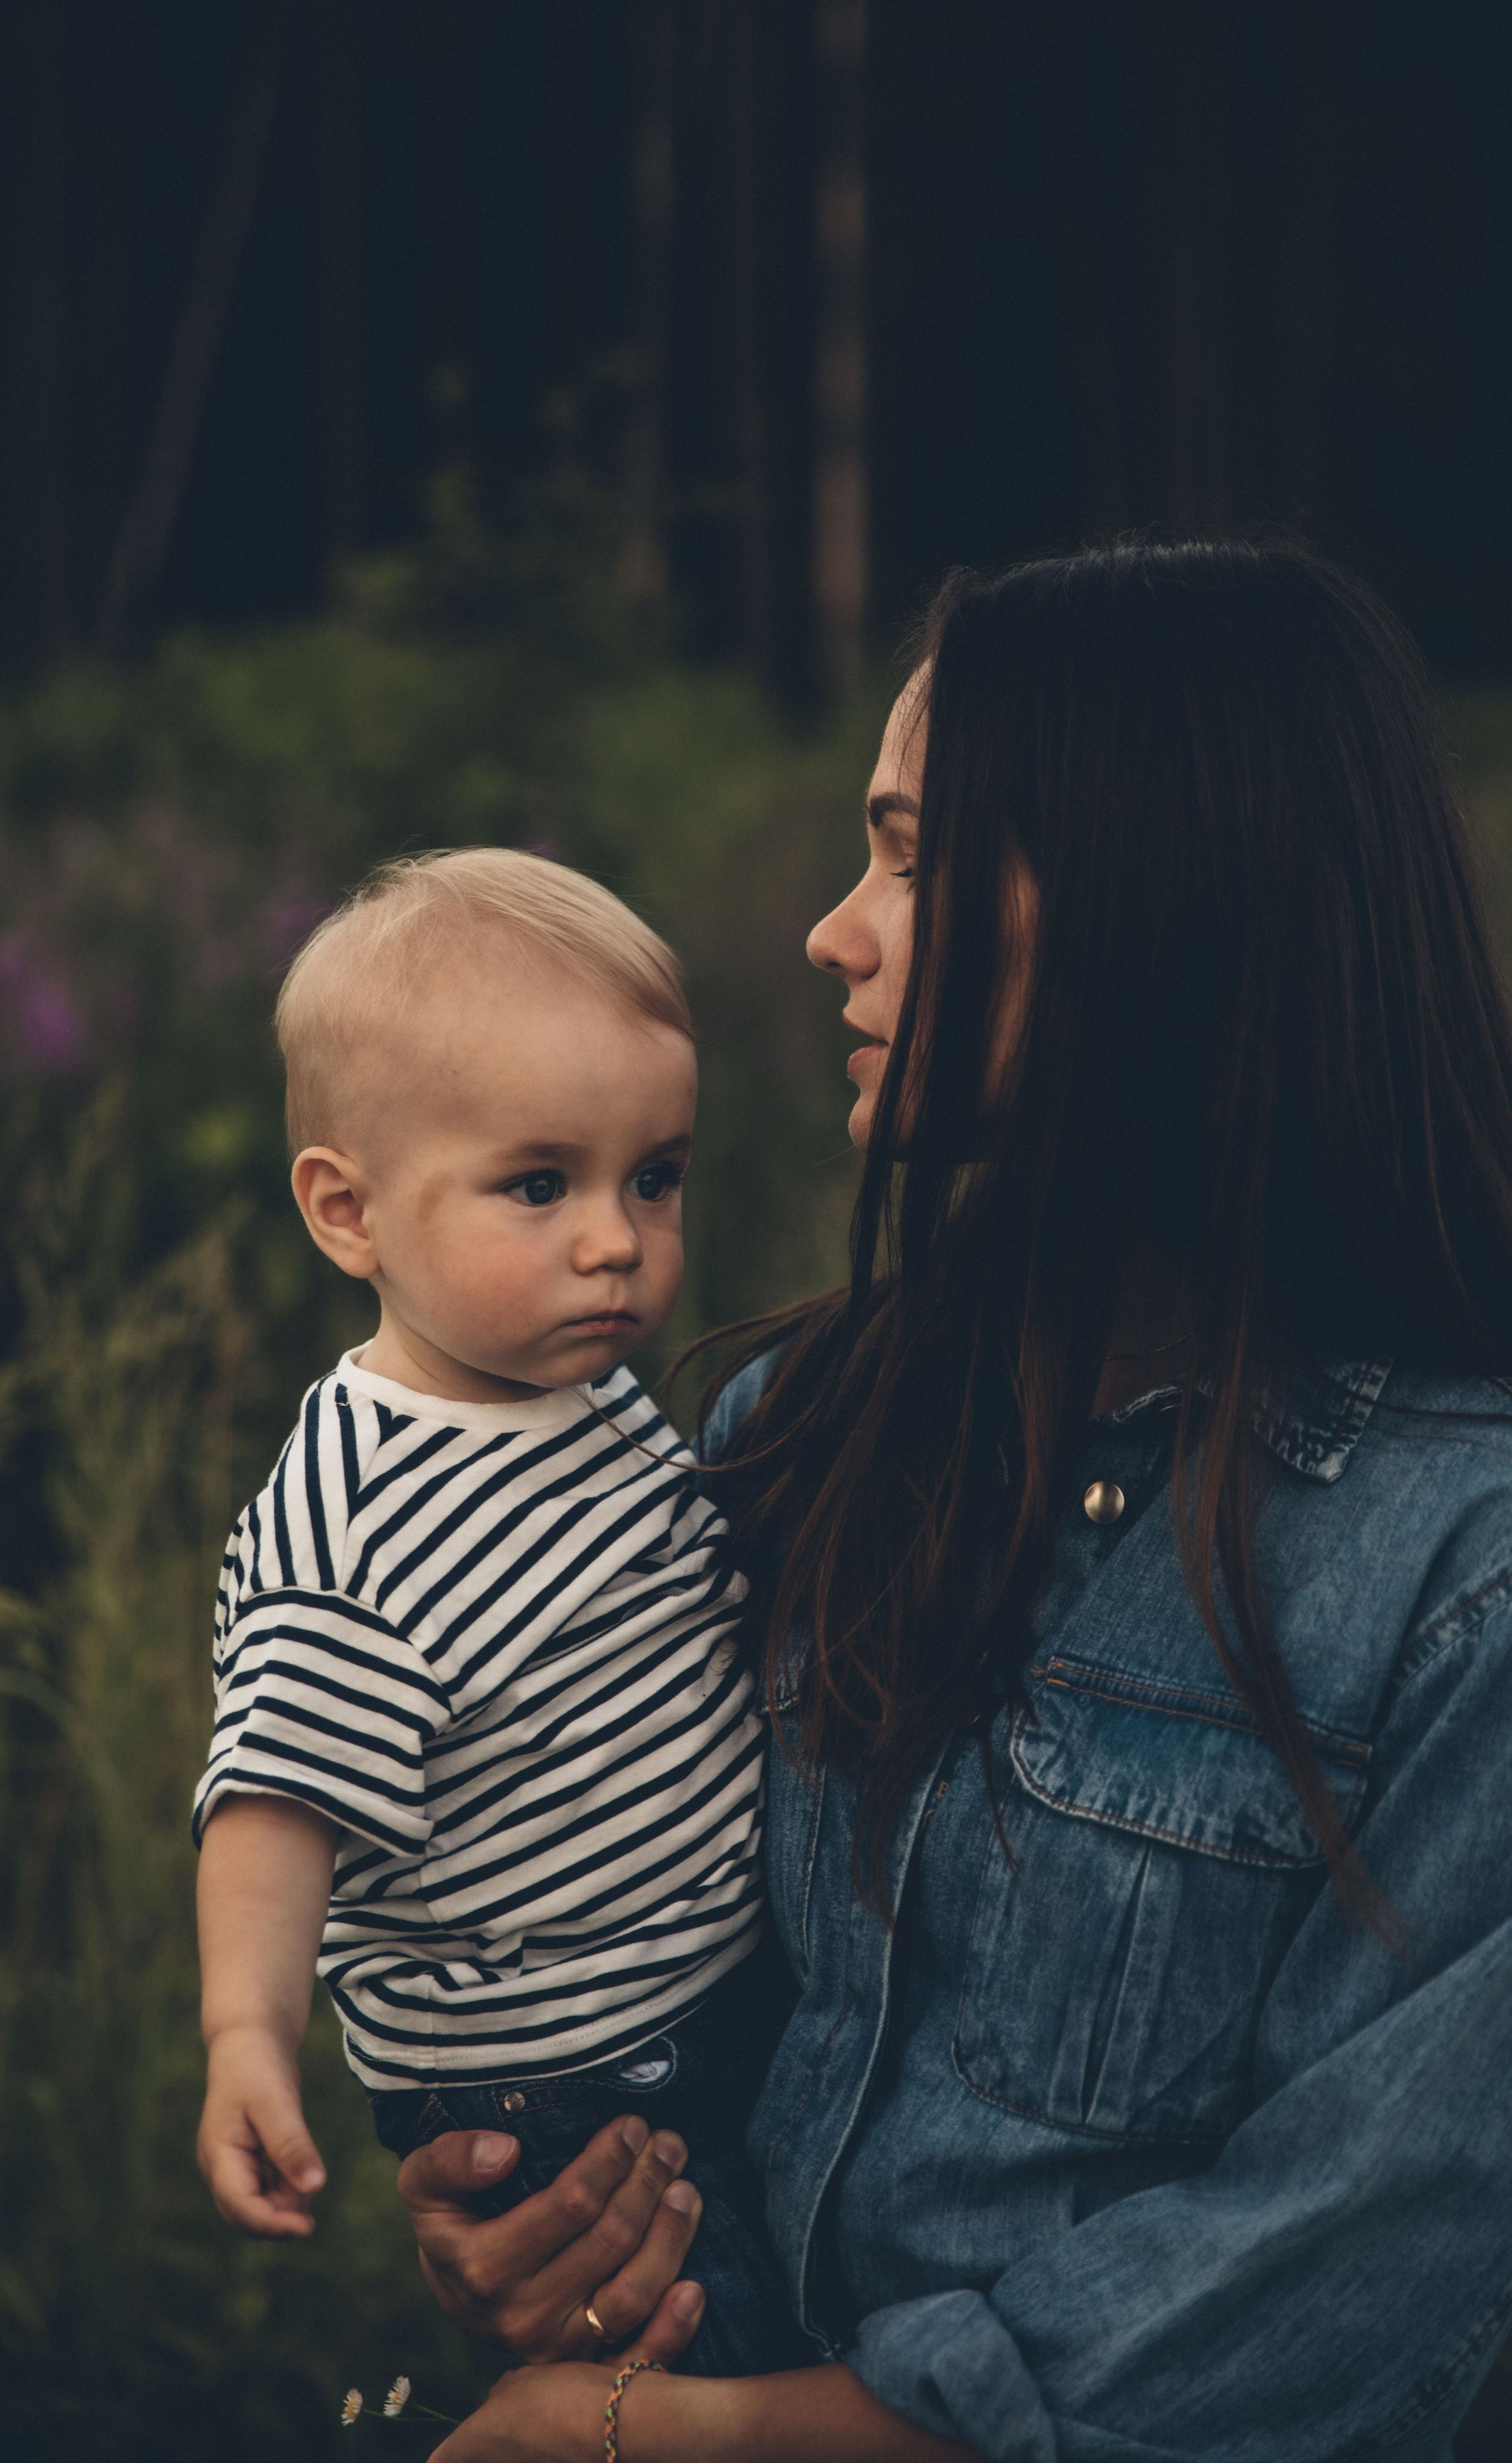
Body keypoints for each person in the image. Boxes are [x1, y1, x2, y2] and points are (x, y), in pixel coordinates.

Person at [398, 539, 1512, 2462]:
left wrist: (708, 2439)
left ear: (1163, 905)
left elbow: (1356, 2271)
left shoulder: (1459, 1573)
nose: (836, 931)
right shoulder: (796, 1423)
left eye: (914, 854)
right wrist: (553, 2213)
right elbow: (661, 1989)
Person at [191, 848, 803, 2379]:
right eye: (539, 1186)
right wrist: (244, 2038)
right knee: (703, 2366)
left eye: (650, 1178)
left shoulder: (575, 1389)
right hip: (572, 2084)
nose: (613, 1240)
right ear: (349, 1213)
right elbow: (273, 1802)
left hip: (712, 1998)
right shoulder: (359, 1518)